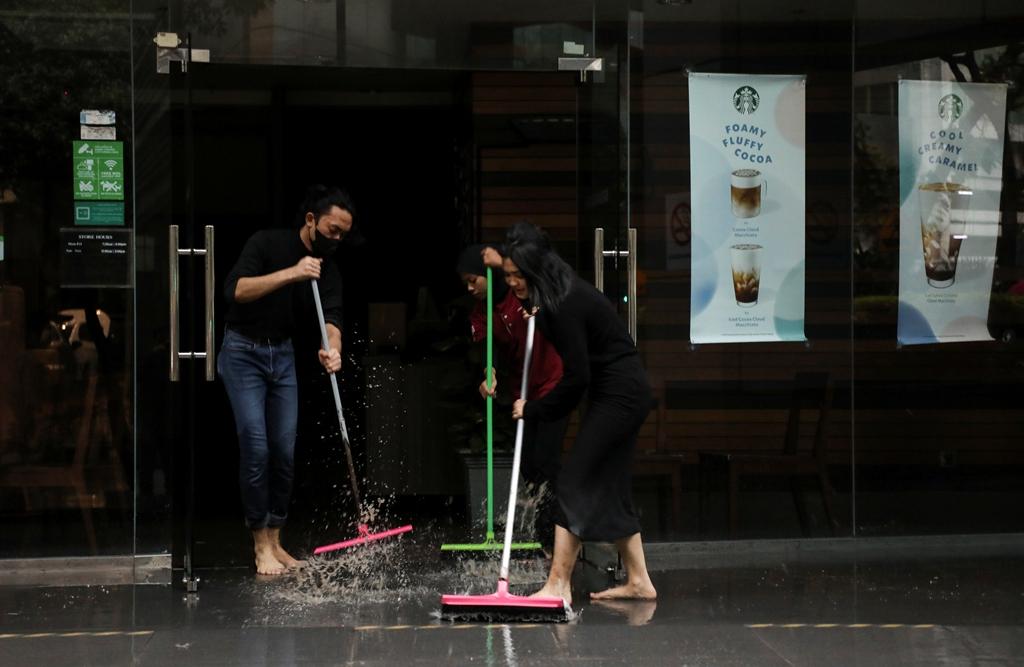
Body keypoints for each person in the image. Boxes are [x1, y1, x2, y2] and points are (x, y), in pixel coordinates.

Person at [494, 221, 656, 604]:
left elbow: (577, 376)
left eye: (518, 275)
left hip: (619, 393)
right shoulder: (554, 295)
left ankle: (558, 584)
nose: (513, 283)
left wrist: (536, 409)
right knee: (610, 485)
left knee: (572, 483)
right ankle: (639, 581)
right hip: (619, 391)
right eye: (508, 275)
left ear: (536, 270)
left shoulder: (561, 302)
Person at [219, 185, 352, 576]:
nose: (337, 239)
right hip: (243, 352)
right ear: (311, 220)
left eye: (343, 233)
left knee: (284, 449)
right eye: (332, 229)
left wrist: (334, 348)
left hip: (283, 356)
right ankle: (259, 543)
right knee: (257, 445)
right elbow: (236, 291)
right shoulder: (266, 244)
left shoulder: (329, 268)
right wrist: (293, 273)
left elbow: (333, 318)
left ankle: (276, 540)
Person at [456, 244, 567, 553]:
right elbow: (486, 351)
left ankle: (553, 539)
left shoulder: (522, 291)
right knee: (529, 464)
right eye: (464, 282)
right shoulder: (481, 311)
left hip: (553, 383)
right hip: (523, 392)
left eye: (473, 280)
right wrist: (488, 375)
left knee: (546, 460)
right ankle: (541, 534)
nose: (469, 287)